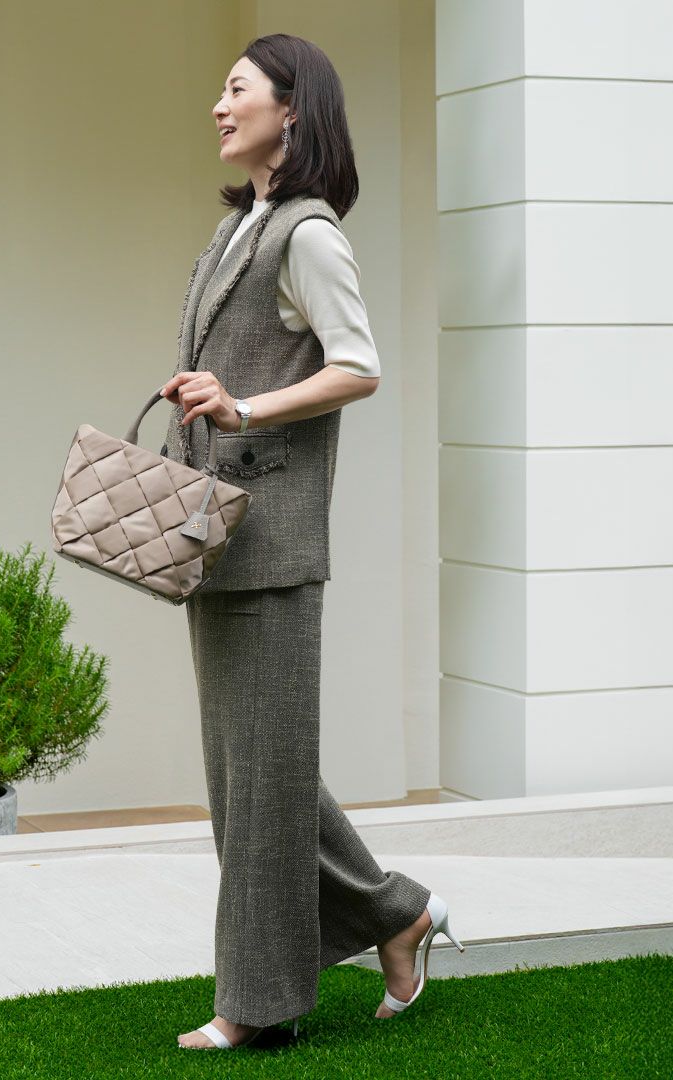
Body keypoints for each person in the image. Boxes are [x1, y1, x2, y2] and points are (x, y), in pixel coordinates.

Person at [159, 33, 464, 1051]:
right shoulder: (239, 228)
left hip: (274, 538)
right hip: (216, 537)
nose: (219, 105)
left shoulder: (309, 233)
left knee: (263, 779)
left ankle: (258, 1004)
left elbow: (358, 367)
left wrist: (242, 407)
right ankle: (399, 914)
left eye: (236, 89)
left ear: (292, 109)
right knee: (251, 775)